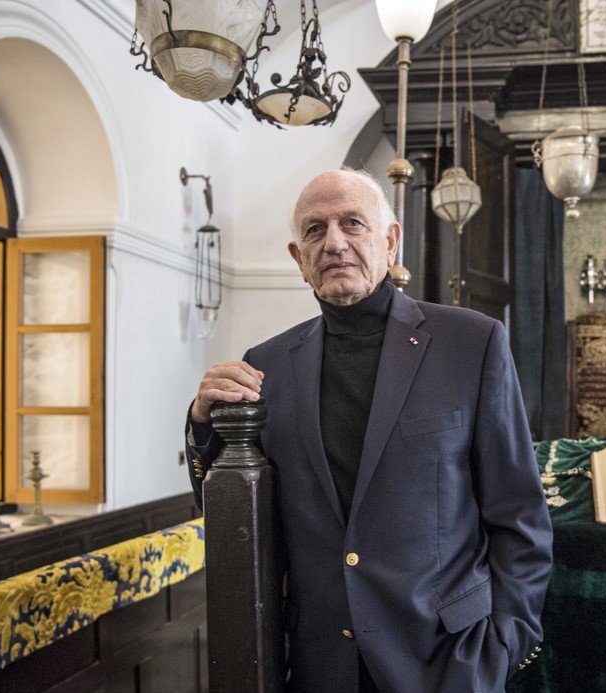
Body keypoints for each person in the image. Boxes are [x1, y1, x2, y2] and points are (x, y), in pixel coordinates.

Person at [184, 169, 553, 692]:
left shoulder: (470, 343)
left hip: (446, 660)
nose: (334, 242)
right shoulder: (267, 365)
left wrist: (503, 644)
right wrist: (202, 423)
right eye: (315, 230)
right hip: (319, 666)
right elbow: (234, 521)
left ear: (390, 240)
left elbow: (519, 517)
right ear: (298, 258)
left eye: (352, 223)